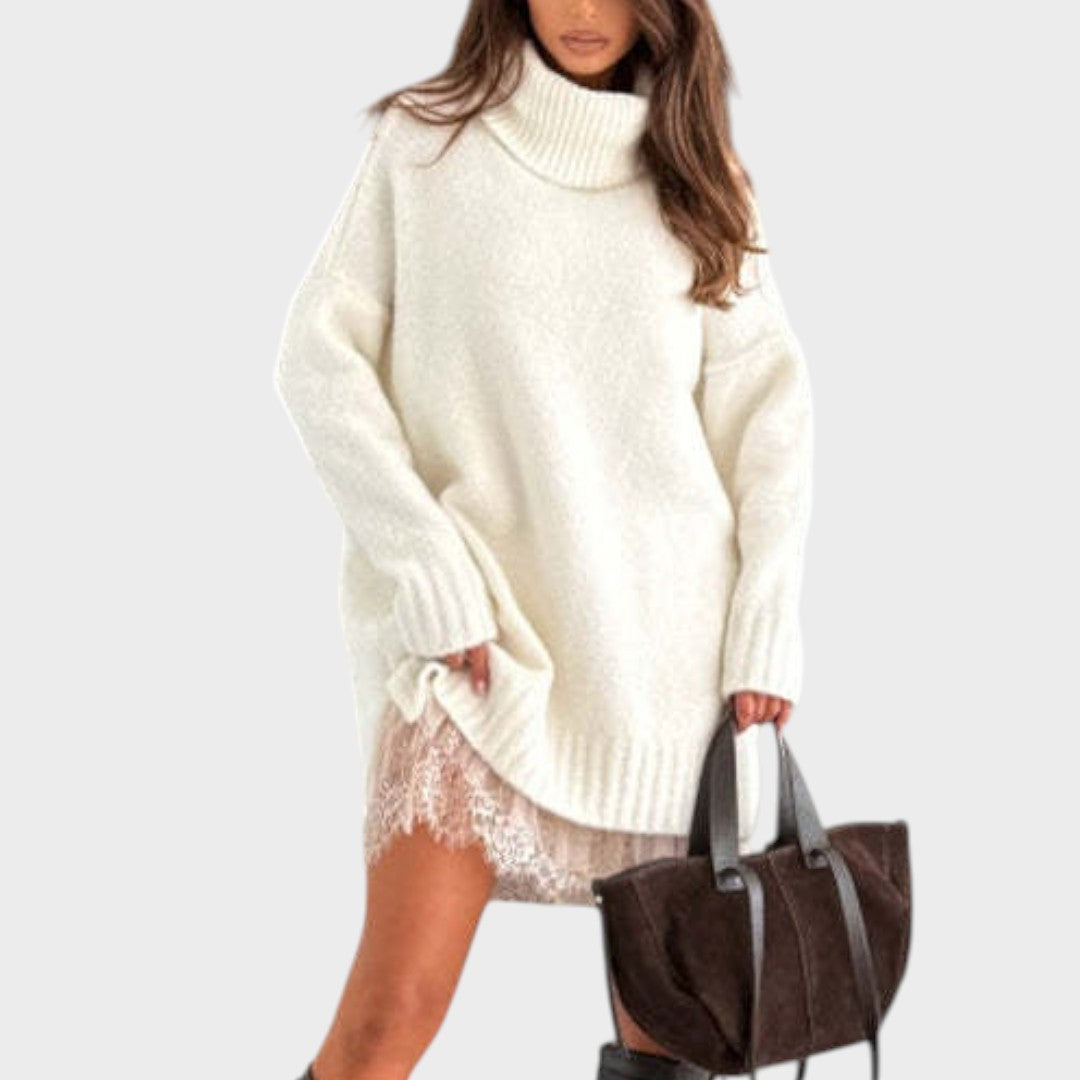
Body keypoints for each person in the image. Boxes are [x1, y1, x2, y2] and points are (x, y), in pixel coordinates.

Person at [274, 2, 813, 1079]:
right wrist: (428, 569)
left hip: (662, 670)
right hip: (481, 658)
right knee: (389, 1017)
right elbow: (319, 364)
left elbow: (770, 421)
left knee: (671, 1050)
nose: (582, 10)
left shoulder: (701, 180)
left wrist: (763, 629)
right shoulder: (428, 146)